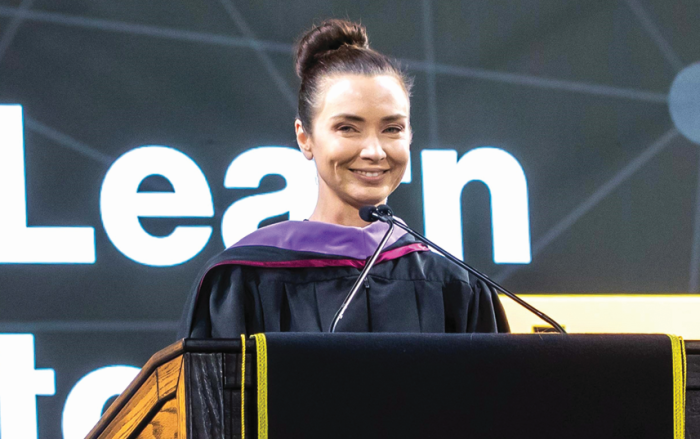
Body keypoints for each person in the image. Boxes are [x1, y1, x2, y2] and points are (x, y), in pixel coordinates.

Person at [177, 19, 509, 338]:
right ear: (304, 137)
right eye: (347, 128)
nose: (374, 151)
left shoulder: (455, 288)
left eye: (391, 129)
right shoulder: (243, 280)